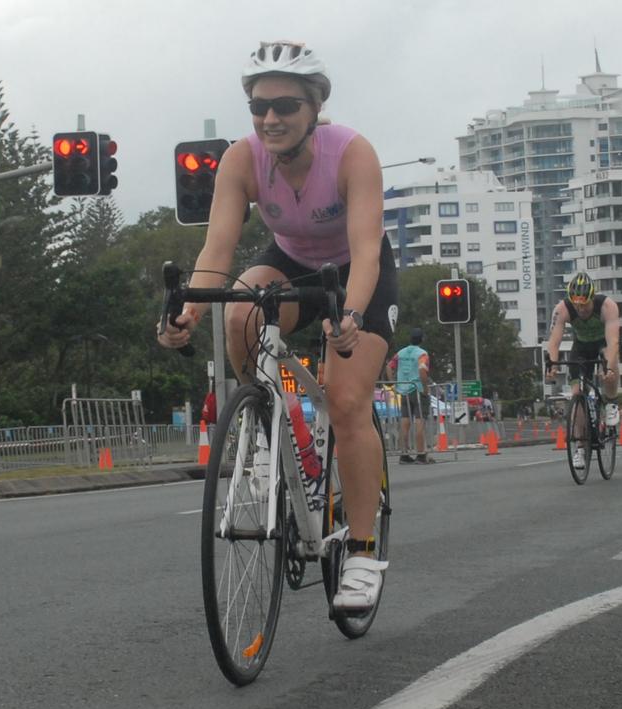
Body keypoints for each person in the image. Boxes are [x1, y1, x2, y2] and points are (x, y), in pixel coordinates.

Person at [156, 41, 394, 612]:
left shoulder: (353, 154)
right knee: (240, 308)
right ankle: (269, 433)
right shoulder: (241, 159)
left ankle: (362, 554)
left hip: (355, 272)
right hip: (290, 260)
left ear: (314, 108)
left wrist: (352, 318)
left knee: (345, 399)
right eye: (259, 107)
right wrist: (187, 309)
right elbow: (218, 247)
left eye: (285, 105)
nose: (270, 118)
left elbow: (365, 254)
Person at [544, 272, 622, 469]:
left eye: (584, 304)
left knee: (610, 369)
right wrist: (552, 365)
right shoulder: (562, 309)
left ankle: (611, 403)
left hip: (603, 344)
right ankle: (580, 447)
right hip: (580, 349)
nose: (580, 309)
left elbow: (613, 341)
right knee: (577, 393)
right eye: (576, 305)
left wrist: (609, 368)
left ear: (592, 298)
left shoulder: (607, 306)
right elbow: (554, 341)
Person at [386, 327, 432, 465]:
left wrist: (393, 384)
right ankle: (420, 454)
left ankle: (404, 454)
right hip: (417, 389)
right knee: (419, 422)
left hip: (403, 390)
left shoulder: (400, 353)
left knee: (404, 423)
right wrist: (425, 388)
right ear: (422, 339)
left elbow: (389, 366)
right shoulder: (422, 354)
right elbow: (422, 370)